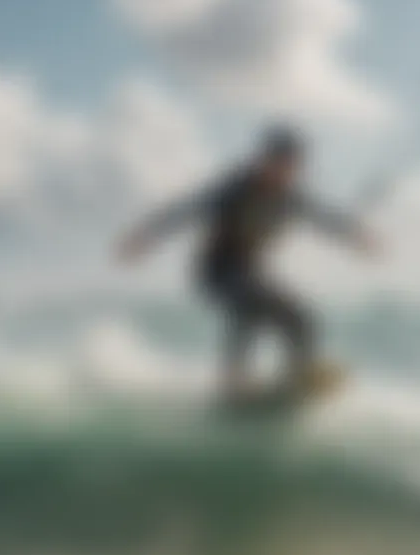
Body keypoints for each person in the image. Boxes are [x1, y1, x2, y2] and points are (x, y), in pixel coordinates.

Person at [116, 125, 379, 398]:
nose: (284, 172)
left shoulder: (291, 197)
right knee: (249, 305)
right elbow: (187, 208)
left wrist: (356, 236)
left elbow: (325, 217)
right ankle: (233, 382)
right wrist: (145, 236)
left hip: (252, 273)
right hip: (217, 271)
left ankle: (297, 375)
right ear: (265, 160)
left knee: (300, 319)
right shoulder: (235, 189)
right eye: (279, 162)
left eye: (291, 166)